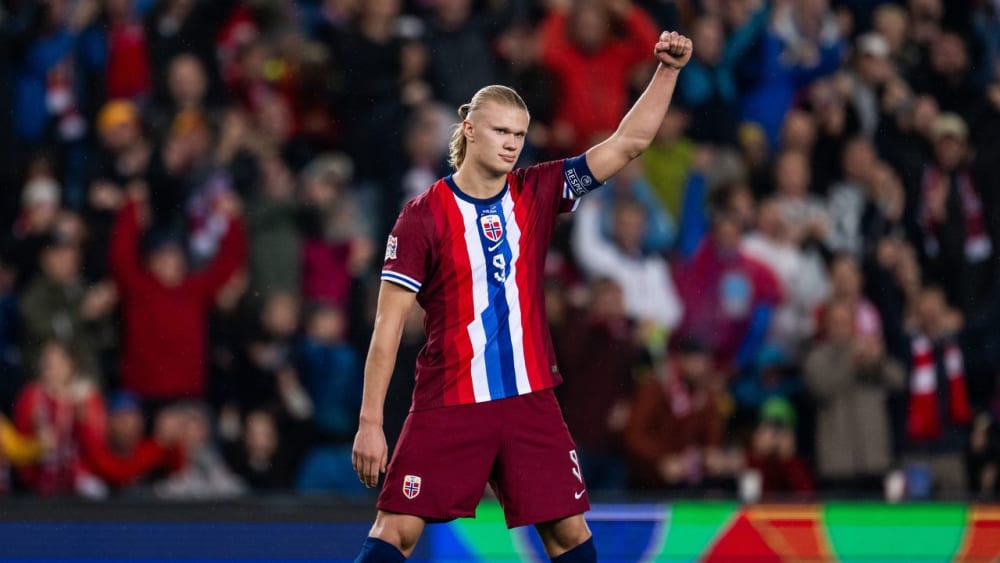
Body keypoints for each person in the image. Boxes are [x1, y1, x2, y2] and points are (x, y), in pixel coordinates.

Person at [351, 31, 694, 562]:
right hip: (452, 399)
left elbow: (628, 143)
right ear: (469, 130)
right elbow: (387, 327)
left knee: (570, 536)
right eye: (500, 131)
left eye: (519, 134)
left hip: (530, 401)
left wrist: (667, 71)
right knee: (397, 531)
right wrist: (371, 423)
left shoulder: (538, 191)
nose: (512, 143)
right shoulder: (422, 216)